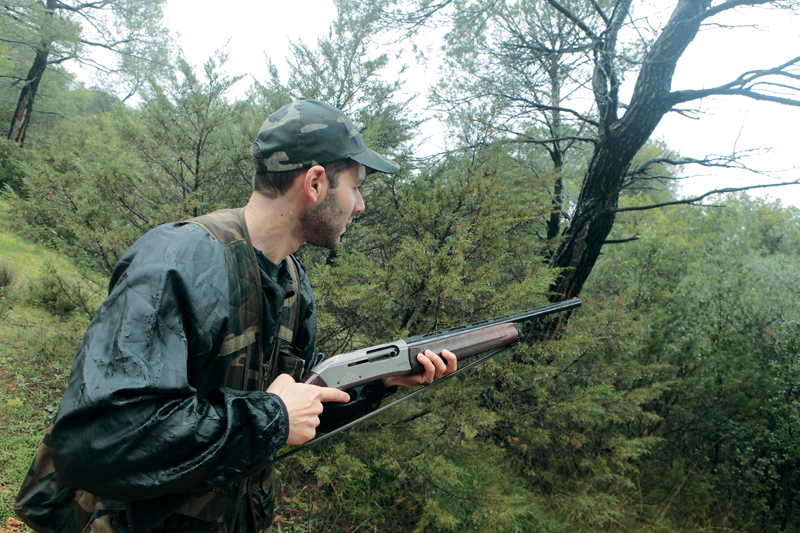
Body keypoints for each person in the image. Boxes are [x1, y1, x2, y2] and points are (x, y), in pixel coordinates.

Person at [15, 100, 456, 533]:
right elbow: (101, 440)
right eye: (356, 187)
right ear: (316, 182)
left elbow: (299, 402)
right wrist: (272, 418)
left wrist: (380, 380)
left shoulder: (293, 282)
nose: (359, 205)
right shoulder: (179, 259)